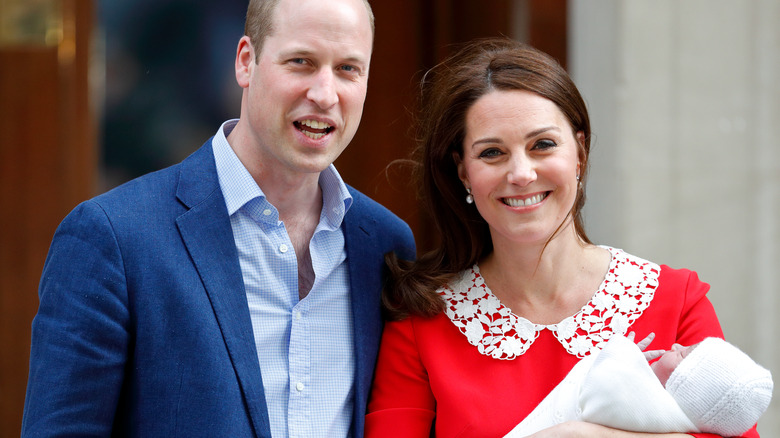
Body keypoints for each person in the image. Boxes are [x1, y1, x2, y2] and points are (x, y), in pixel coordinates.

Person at [21, 0, 415, 436]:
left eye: (347, 69)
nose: (324, 94)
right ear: (246, 62)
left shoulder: (385, 245)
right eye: (301, 62)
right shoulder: (113, 238)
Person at [365, 37, 760, 438]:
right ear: (463, 171)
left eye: (543, 145)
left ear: (579, 153)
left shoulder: (677, 302)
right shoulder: (422, 318)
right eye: (491, 153)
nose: (520, 173)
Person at [504, 334, 773, 437]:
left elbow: (604, 387)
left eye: (683, 354)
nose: (677, 345)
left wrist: (624, 351)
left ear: (684, 384)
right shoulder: (667, 421)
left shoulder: (645, 409)